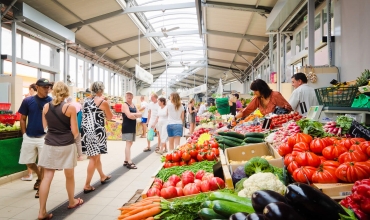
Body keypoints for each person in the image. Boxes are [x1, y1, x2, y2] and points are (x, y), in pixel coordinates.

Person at [37, 81, 83, 220]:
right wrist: (68, 138)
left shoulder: (46, 106)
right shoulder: (70, 107)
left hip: (50, 145)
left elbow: (44, 127)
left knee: (47, 177)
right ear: (66, 92)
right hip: (66, 145)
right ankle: (71, 201)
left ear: (53, 91)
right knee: (69, 175)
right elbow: (75, 131)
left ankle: (41, 212)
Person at [18, 78, 53, 198]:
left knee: (43, 163)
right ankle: (39, 176)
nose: (47, 89)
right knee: (28, 161)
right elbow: (22, 119)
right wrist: (24, 134)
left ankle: (41, 184)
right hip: (29, 136)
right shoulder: (28, 101)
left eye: (48, 87)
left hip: (45, 137)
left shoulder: (51, 101)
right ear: (37, 87)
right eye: (44, 87)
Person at [81, 81, 113, 194]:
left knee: (96, 157)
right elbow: (110, 116)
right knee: (94, 159)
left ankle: (102, 176)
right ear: (101, 90)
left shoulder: (85, 101)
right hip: (96, 132)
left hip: (86, 131)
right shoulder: (103, 102)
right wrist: (106, 103)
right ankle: (87, 185)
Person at [21, 83, 38, 181]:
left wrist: (24, 133)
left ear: (32, 89)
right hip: (35, 133)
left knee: (29, 157)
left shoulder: (28, 100)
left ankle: (31, 174)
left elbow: (23, 118)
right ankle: (39, 177)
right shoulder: (28, 100)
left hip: (31, 132)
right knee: (38, 158)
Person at [121, 91, 142, 169]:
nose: (129, 96)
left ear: (132, 97)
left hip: (132, 126)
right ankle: (129, 161)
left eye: (130, 95)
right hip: (127, 126)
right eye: (127, 95)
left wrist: (133, 115)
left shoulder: (134, 105)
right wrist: (135, 115)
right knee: (128, 143)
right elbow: (129, 115)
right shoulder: (125, 105)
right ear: (125, 97)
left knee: (130, 143)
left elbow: (140, 114)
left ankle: (126, 160)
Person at [66, 97, 83, 161]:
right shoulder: (79, 105)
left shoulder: (68, 106)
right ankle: (80, 156)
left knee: (71, 142)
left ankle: (72, 156)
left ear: (67, 101)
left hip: (71, 127)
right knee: (78, 142)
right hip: (78, 126)